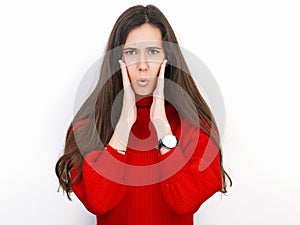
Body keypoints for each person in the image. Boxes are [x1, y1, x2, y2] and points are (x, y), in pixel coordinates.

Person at [55, 4, 232, 225]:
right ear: (116, 60)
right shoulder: (89, 127)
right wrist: (122, 128)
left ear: (169, 59)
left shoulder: (195, 126)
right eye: (131, 52)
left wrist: (162, 129)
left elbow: (184, 203)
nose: (142, 65)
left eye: (153, 52)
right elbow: (98, 202)